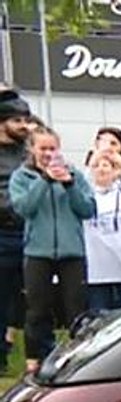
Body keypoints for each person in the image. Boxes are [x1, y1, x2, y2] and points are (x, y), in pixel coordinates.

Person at [10, 127, 95, 371]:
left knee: (76, 307)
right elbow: (24, 208)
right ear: (32, 149)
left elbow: (87, 209)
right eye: (43, 148)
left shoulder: (75, 174)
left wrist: (69, 185)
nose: (48, 153)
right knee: (37, 309)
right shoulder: (22, 177)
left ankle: (79, 357)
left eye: (53, 148)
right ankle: (34, 360)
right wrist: (44, 180)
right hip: (38, 251)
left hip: (72, 251)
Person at [83, 150, 121, 312]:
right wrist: (94, 158)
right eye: (96, 166)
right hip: (96, 273)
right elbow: (81, 181)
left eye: (106, 166)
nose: (101, 169)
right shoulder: (85, 194)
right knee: (98, 321)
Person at [0, 89, 32, 372]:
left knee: (32, 297)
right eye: (17, 120)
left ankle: (33, 354)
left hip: (31, 233)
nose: (25, 125)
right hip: (2, 233)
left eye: (27, 119)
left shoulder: (29, 153)